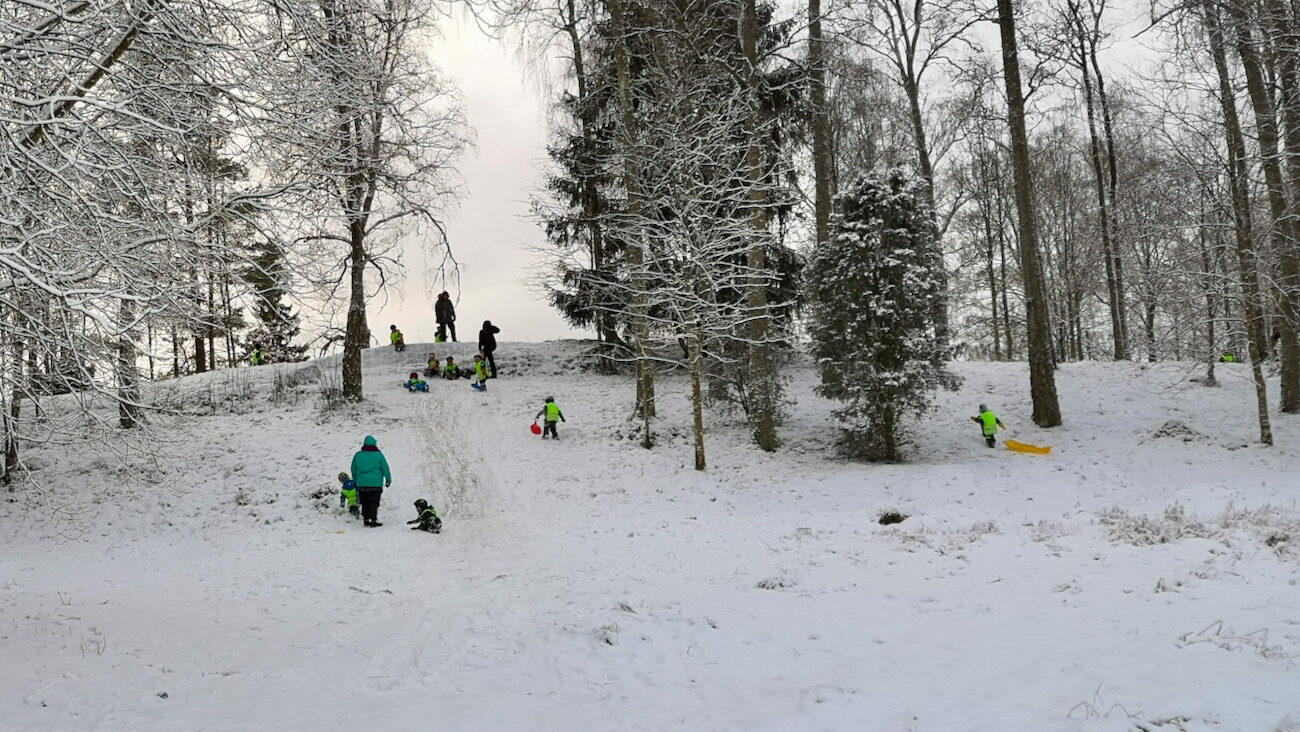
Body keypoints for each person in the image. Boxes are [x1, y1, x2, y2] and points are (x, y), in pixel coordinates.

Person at [350, 435, 391, 527]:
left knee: (364, 501)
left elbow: (353, 469)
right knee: (373, 501)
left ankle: (366, 519)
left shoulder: (358, 455)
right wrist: (388, 479)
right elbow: (385, 468)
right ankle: (372, 519)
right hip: (375, 483)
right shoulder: (379, 455)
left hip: (361, 483)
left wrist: (356, 480)